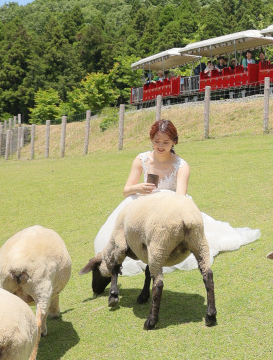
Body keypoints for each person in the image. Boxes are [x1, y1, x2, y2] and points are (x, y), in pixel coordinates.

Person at [93, 118, 261, 276]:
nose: (160, 146)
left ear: (174, 141)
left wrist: (161, 201)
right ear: (151, 140)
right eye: (156, 141)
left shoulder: (181, 165)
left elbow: (180, 197)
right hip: (142, 203)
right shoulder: (141, 159)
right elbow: (126, 190)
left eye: (166, 142)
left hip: (169, 206)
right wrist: (139, 187)